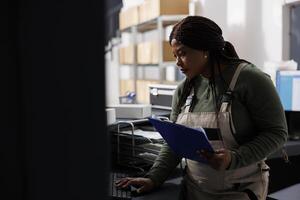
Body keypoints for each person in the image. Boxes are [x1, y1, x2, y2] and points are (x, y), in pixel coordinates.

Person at [115, 16, 288, 200]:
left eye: (183, 53)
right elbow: (174, 143)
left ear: (205, 49)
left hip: (240, 190)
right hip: (194, 191)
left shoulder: (250, 80)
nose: (178, 63)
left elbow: (277, 133)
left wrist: (233, 158)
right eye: (175, 56)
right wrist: (153, 178)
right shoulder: (184, 89)